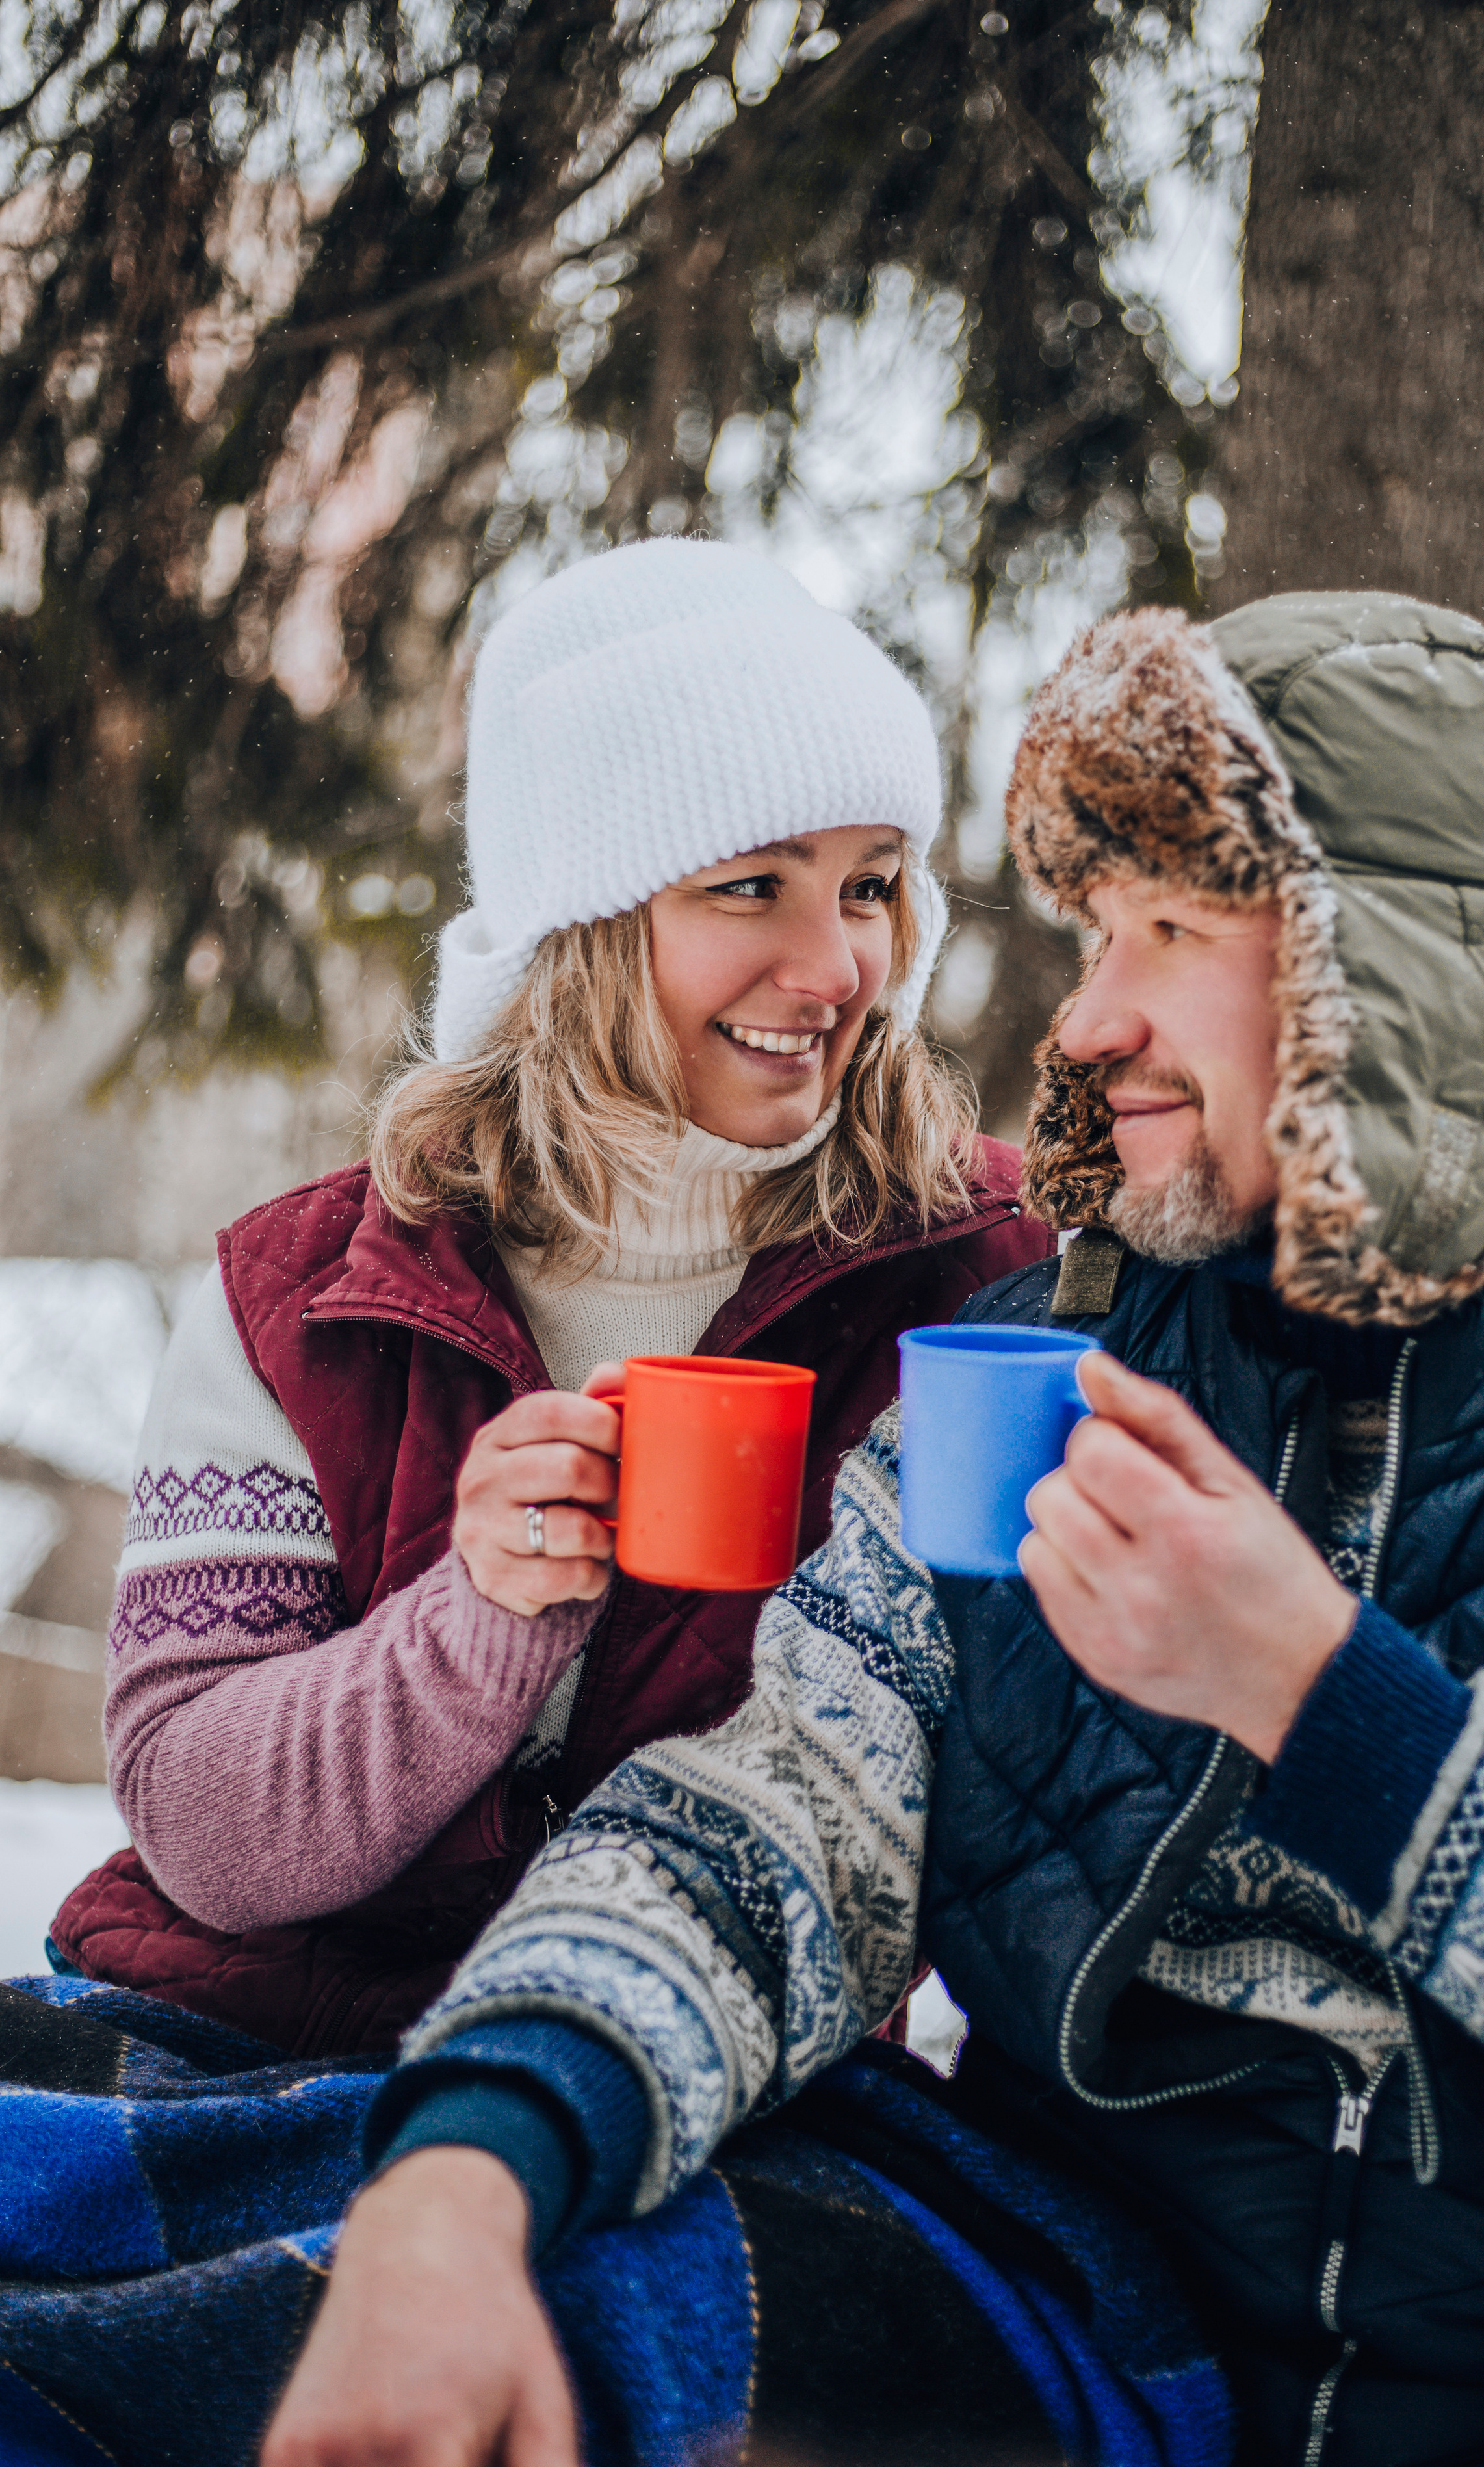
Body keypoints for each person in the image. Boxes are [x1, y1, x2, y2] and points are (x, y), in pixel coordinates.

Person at [267, 592, 1484, 2467]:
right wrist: (470, 2165)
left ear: (1406, 979)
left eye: (1171, 929)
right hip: (1089, 2323)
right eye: (1097, 931)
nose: (1086, 1020)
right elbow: (774, 1828)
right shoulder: (1031, 1375)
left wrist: (1332, 1712)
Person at [47, 537, 1047, 2058]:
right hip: (261, 2039)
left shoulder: (982, 1282)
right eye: (748, 886)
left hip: (716, 2085)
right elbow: (203, 1832)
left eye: (866, 886)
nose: (835, 964)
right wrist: (477, 1615)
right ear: (577, 933)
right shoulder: (304, 1299)